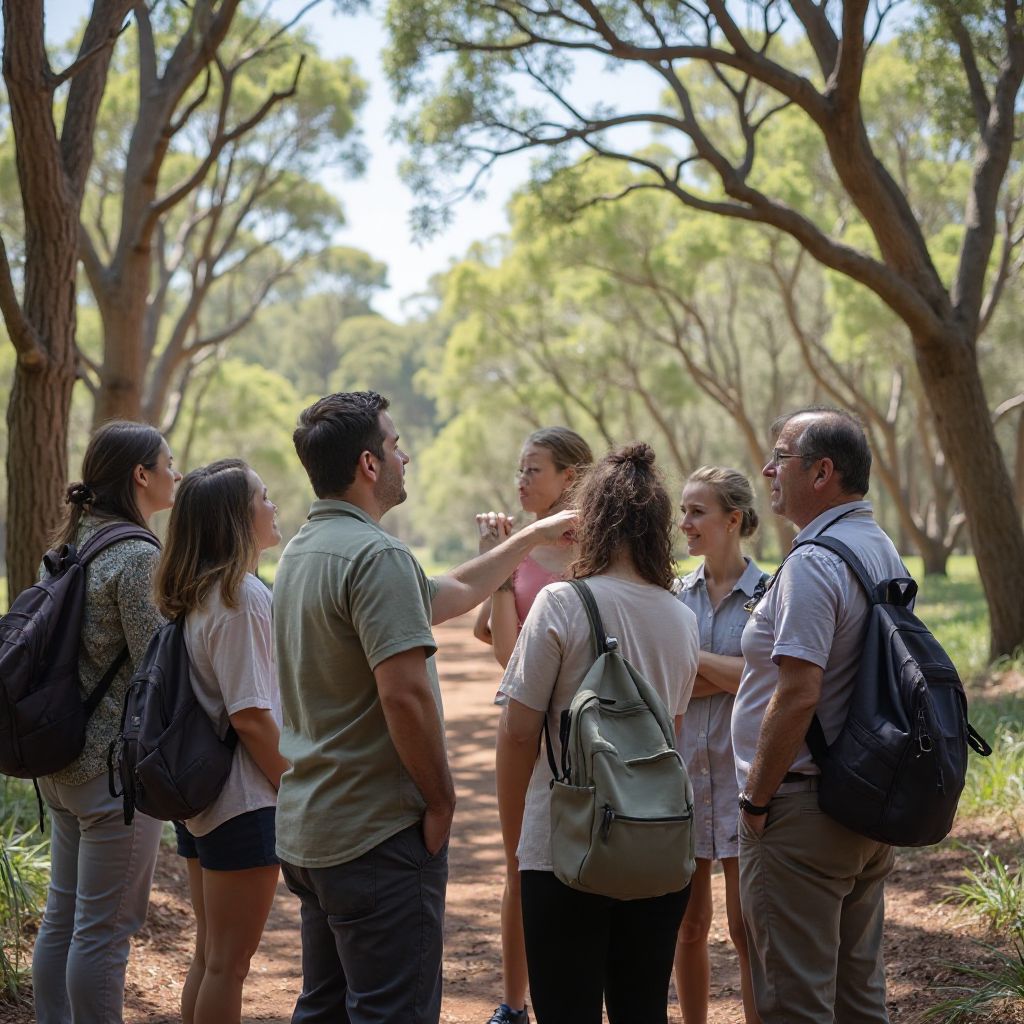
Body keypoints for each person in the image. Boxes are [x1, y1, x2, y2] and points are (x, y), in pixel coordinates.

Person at [272, 391, 577, 1024]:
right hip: (375, 835)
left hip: (313, 830)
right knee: (393, 1012)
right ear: (368, 463)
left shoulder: (305, 549)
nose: (404, 455)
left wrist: (532, 538)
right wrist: (442, 802)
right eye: (394, 444)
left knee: (324, 1008)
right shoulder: (377, 557)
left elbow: (455, 590)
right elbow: (403, 693)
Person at [496, 443, 701, 1024]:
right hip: (654, 842)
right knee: (642, 1010)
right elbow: (671, 736)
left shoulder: (561, 603)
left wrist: (517, 842)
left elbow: (517, 734)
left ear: (591, 521)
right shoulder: (681, 617)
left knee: (566, 1010)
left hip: (564, 844)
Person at [733, 407, 905, 1024]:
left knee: (795, 1004)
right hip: (866, 803)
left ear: (823, 472)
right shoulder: (879, 547)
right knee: (861, 997)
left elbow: (799, 692)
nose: (767, 468)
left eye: (781, 456)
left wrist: (756, 801)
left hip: (802, 813)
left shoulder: (815, 562)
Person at [32, 420, 181, 1024]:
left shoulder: (70, 547)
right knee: (104, 933)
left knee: (62, 919)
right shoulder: (137, 556)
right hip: (113, 778)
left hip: (59, 763)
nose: (177, 471)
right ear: (141, 476)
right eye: (168, 462)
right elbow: (160, 667)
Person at [153, 459, 289, 1024]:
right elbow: (253, 717)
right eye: (263, 496)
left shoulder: (201, 594)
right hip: (245, 803)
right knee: (229, 964)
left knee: (211, 956)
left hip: (206, 801)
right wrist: (297, 787)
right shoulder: (240, 597)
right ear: (237, 517)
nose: (273, 505)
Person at [472, 426, 593, 1024]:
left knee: (591, 860)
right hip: (522, 720)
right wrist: (499, 562)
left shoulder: (600, 550)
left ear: (570, 477)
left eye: (533, 470)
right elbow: (500, 648)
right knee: (520, 862)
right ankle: (513, 1004)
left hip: (591, 727)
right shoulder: (517, 546)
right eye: (519, 469)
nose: (520, 481)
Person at [674, 467, 763, 1024]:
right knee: (687, 927)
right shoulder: (672, 595)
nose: (685, 523)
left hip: (743, 780)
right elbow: (664, 678)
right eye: (683, 511)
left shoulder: (770, 594)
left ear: (733, 520)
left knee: (745, 928)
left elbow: (766, 677)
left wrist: (690, 660)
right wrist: (735, 670)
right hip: (680, 779)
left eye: (697, 512)